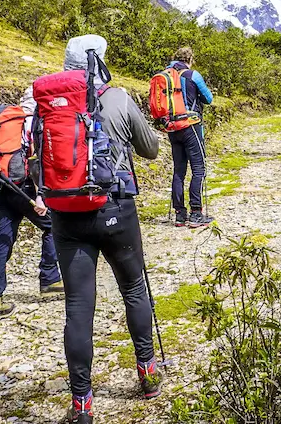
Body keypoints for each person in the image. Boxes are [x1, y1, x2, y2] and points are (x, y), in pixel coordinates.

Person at [40, 34, 162, 424]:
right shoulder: (118, 97)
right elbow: (151, 149)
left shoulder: (47, 105)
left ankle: (82, 404)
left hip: (66, 215)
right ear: (99, 61)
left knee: (77, 307)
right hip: (115, 209)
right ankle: (147, 372)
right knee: (133, 287)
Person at [0, 87, 63, 324]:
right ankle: (50, 279)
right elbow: (35, 163)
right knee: (53, 225)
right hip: (23, 188)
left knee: (1, 242)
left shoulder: (3, 123)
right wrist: (40, 196)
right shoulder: (33, 123)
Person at [165, 46, 214, 228]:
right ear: (190, 58)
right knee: (198, 169)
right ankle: (196, 213)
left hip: (172, 127)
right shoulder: (193, 75)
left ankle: (179, 215)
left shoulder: (166, 75)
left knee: (179, 170)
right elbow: (209, 99)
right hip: (191, 125)